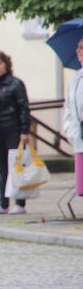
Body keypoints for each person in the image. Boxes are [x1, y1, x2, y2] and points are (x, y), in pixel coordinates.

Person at [0, 51, 31, 215]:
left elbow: (24, 107)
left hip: (13, 129)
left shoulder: (16, 84)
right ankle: (3, 203)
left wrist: (25, 130)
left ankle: (20, 202)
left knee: (17, 166)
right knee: (2, 167)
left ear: (6, 64)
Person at [63, 37, 83, 197]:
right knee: (81, 187)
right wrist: (70, 129)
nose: (78, 51)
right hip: (79, 134)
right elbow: (69, 106)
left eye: (82, 48)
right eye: (77, 48)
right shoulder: (76, 77)